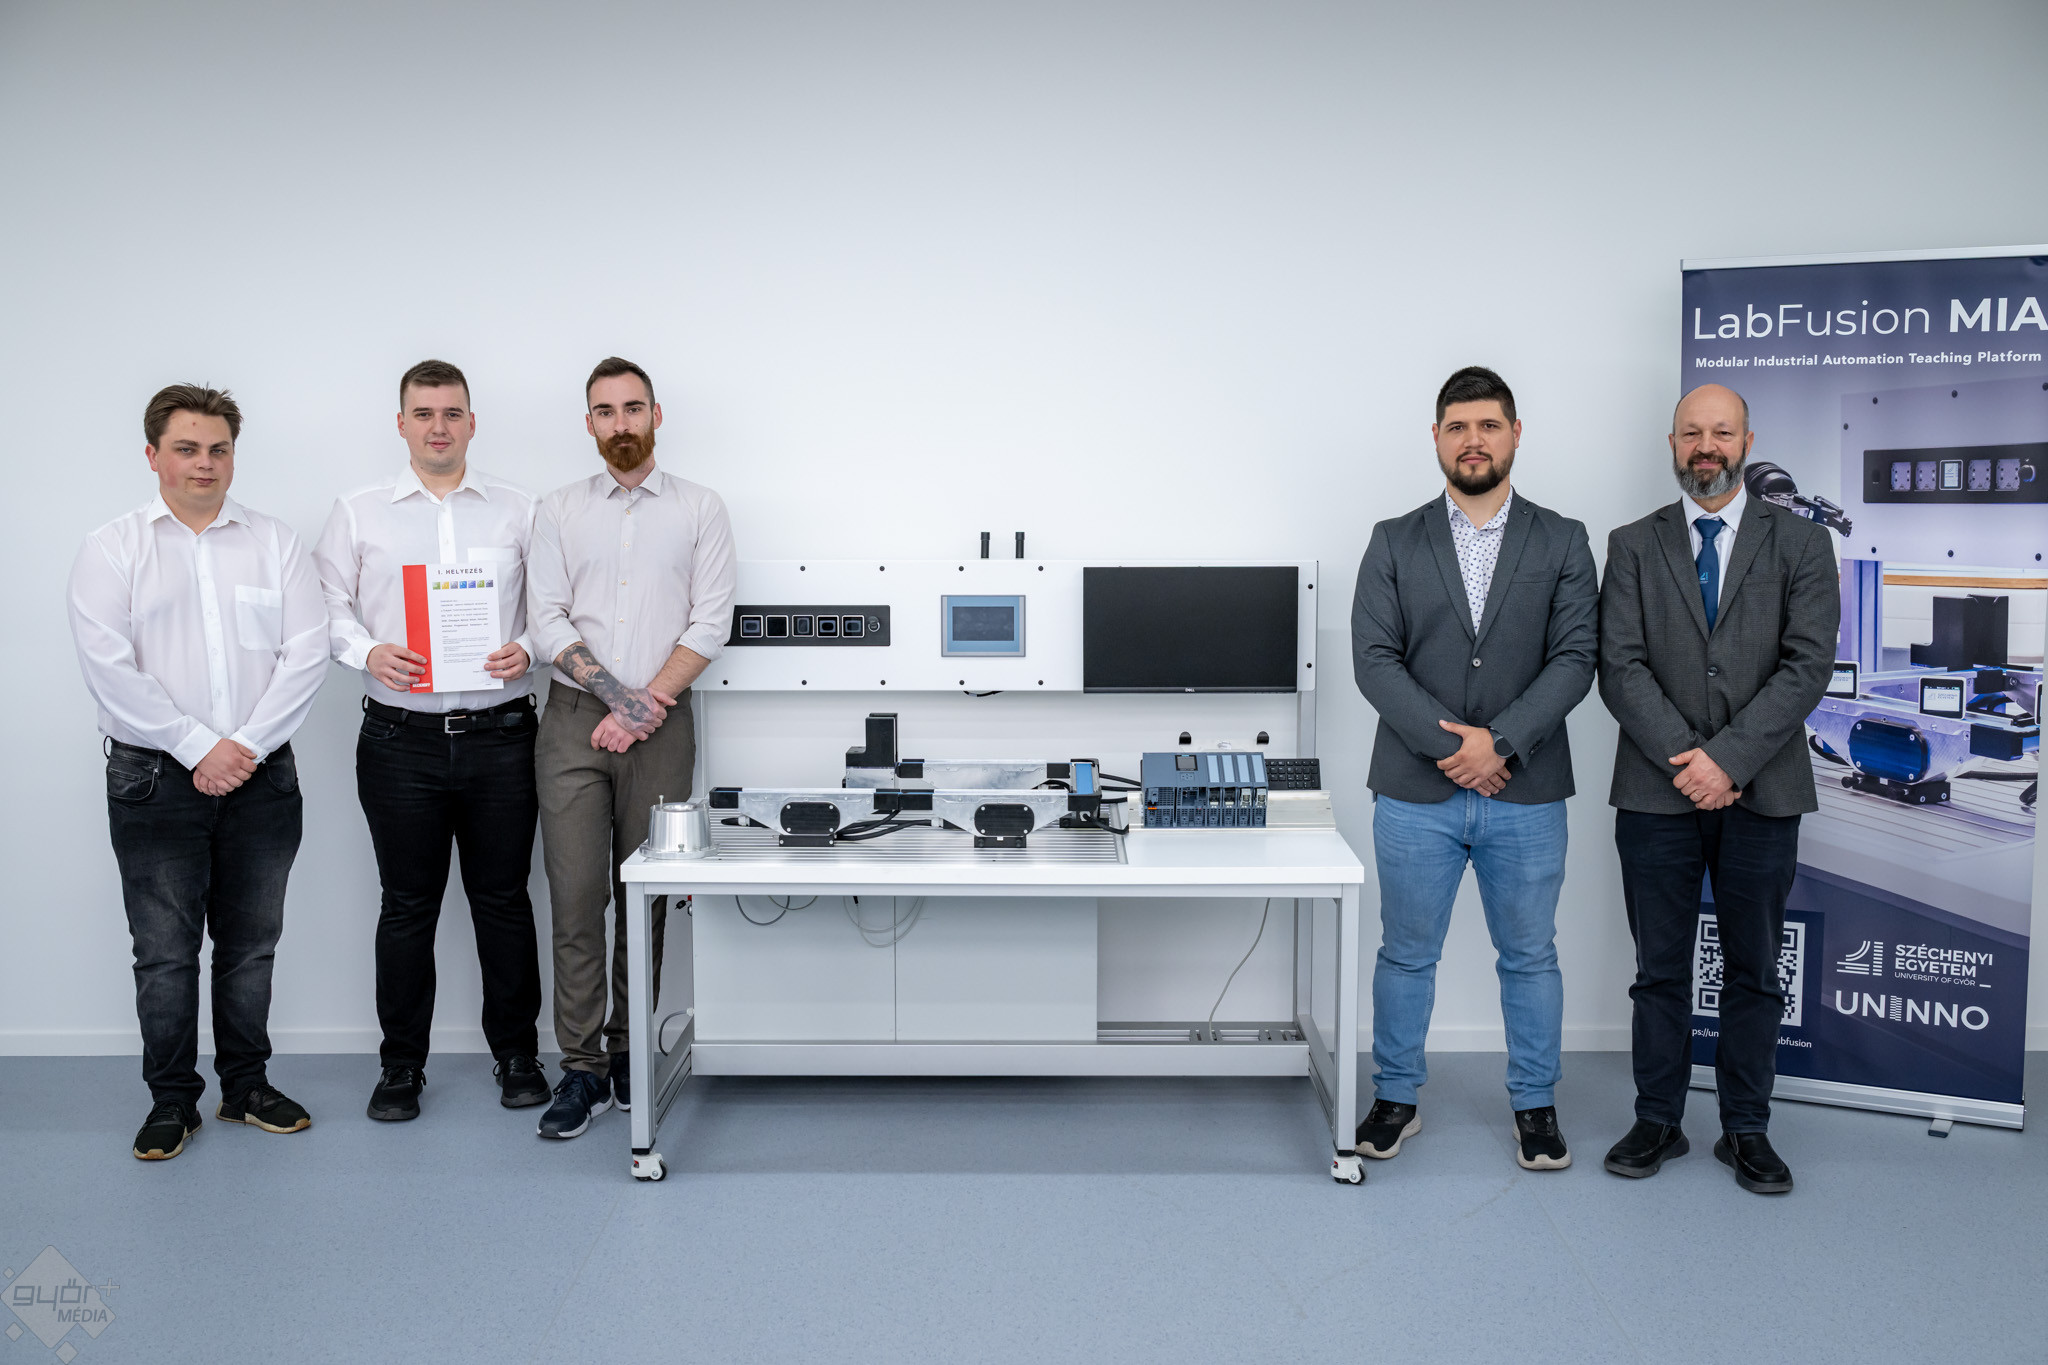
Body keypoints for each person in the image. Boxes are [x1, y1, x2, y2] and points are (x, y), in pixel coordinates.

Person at [69, 384, 328, 1160]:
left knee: (251, 945)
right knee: (165, 950)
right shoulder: (112, 548)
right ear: (153, 455)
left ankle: (245, 1087)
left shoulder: (275, 542)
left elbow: (306, 652)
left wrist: (241, 745)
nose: (204, 463)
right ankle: (172, 1099)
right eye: (186, 448)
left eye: (218, 449)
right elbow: (108, 667)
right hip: (152, 780)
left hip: (261, 774)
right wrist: (196, 747)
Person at [1350, 366, 1599, 1171]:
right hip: (1414, 792)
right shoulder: (1394, 538)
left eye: (1489, 425)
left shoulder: (1563, 539)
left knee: (1530, 955)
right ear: (1436, 438)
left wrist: (1504, 743)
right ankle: (1395, 1096)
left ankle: (1535, 1104)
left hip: (1527, 791)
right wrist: (1459, 750)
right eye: (1457, 427)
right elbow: (1374, 660)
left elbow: (1576, 657)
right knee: (1405, 953)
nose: (1473, 440)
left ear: (1515, 434)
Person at [1597, 382, 1837, 1194]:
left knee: (1755, 968)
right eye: (1692, 433)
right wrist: (1687, 759)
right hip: (1655, 791)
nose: (1707, 447)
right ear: (1672, 444)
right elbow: (1619, 666)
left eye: (1722, 433)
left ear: (1747, 442)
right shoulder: (1632, 544)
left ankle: (1746, 1128)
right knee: (1658, 968)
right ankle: (1657, 1119)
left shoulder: (1802, 542)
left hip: (1763, 790)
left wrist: (1726, 760)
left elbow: (1807, 665)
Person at [313, 359, 550, 1122]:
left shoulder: (521, 510)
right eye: (424, 413)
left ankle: (517, 1054)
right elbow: (325, 607)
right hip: (399, 740)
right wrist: (366, 651)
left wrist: (529, 647)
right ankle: (401, 1066)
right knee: (407, 905)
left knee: (503, 900)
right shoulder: (357, 512)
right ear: (401, 423)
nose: (438, 427)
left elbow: (554, 607)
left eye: (452, 413)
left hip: (501, 737)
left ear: (472, 423)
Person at [526, 356, 736, 1139]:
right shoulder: (557, 510)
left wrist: (643, 706)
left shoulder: (701, 508)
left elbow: (710, 621)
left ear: (656, 415)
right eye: (606, 411)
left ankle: (624, 1053)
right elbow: (546, 619)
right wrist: (619, 700)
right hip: (573, 723)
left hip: (664, 724)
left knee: (644, 894)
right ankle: (580, 1066)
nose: (621, 423)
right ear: (588, 423)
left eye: (633, 408)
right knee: (578, 897)